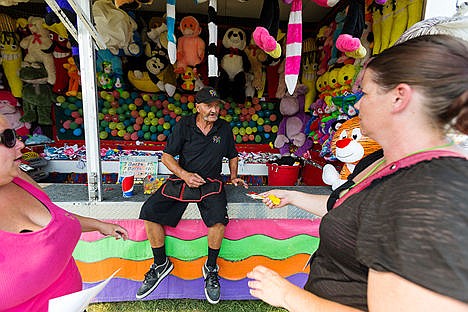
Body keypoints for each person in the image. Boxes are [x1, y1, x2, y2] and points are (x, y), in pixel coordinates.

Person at [247, 34, 468, 311]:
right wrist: (291, 195)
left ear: (399, 97)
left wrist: (287, 296)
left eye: (365, 93)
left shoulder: (427, 193)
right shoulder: (381, 161)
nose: (357, 104)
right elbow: (346, 210)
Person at [0, 114, 129, 312]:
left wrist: (98, 225)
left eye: (16, 135)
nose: (20, 144)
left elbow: (57, 218)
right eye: (8, 138)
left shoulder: (19, 178)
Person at [136, 86, 247, 304]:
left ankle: (211, 268)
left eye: (216, 106)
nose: (214, 110)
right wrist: (185, 175)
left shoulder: (224, 128)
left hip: (211, 182)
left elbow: (232, 155)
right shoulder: (184, 125)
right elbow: (166, 157)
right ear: (197, 107)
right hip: (183, 179)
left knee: (218, 220)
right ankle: (160, 264)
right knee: (149, 211)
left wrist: (234, 176)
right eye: (208, 106)